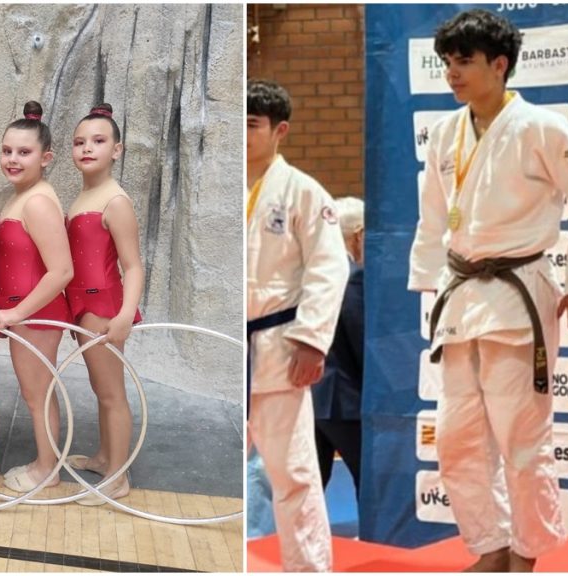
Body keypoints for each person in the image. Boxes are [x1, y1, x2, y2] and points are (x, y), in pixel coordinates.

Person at [408, 9, 568, 572]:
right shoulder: (445, 133)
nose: (453, 73)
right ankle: (490, 545)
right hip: (461, 298)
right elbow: (432, 219)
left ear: (499, 65)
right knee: (455, 440)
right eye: (448, 62)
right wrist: (426, 284)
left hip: (519, 295)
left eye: (465, 62)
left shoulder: (542, 128)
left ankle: (527, 551)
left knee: (522, 440)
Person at [247, 78, 350, 572]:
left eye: (253, 125)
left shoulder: (304, 193)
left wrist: (312, 341)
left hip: (278, 347)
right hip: (233, 345)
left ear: (279, 130)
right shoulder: (232, 185)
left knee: (293, 475)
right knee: (236, 475)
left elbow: (330, 269)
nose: (243, 133)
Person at [61, 103, 144, 506]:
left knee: (112, 392)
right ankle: (105, 456)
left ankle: (117, 477)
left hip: (104, 306)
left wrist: (125, 314)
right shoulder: (85, 195)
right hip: (84, 305)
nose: (87, 149)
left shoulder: (115, 201)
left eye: (98, 141)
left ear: (117, 150)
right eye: (79, 142)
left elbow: (133, 265)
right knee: (100, 387)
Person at [0, 101, 74, 493]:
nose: (12, 159)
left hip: (37, 314)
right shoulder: (20, 195)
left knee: (37, 392)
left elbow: (61, 271)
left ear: (46, 157)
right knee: (34, 391)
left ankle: (47, 468)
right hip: (24, 313)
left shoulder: (37, 201)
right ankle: (46, 461)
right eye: (7, 151)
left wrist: (17, 313)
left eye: (23, 152)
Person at [312, 196, 365, 496]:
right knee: (367, 480)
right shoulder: (353, 278)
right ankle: (370, 541)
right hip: (345, 402)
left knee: (310, 491)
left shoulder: (310, 275)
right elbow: (359, 340)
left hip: (310, 397)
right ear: (359, 235)